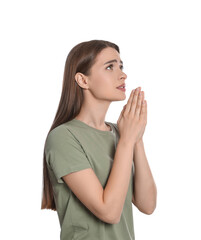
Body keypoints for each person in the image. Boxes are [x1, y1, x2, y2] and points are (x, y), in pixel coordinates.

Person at [41, 39, 157, 240]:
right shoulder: (63, 137)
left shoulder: (121, 134)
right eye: (110, 67)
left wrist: (136, 138)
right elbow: (108, 212)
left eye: (121, 66)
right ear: (82, 80)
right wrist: (127, 141)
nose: (122, 74)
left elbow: (147, 205)